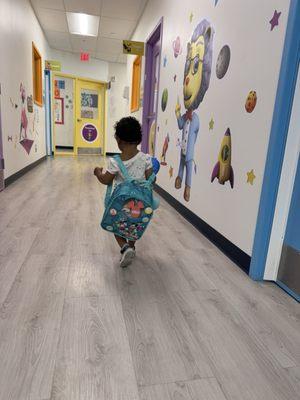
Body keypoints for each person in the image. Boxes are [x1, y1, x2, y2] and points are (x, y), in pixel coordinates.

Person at [94, 116, 153, 268]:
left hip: (122, 205)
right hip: (139, 204)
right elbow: (151, 180)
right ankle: (132, 246)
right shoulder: (146, 159)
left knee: (117, 226)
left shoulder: (115, 162)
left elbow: (106, 180)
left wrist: (98, 172)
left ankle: (125, 247)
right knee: (133, 225)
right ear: (139, 140)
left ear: (119, 140)